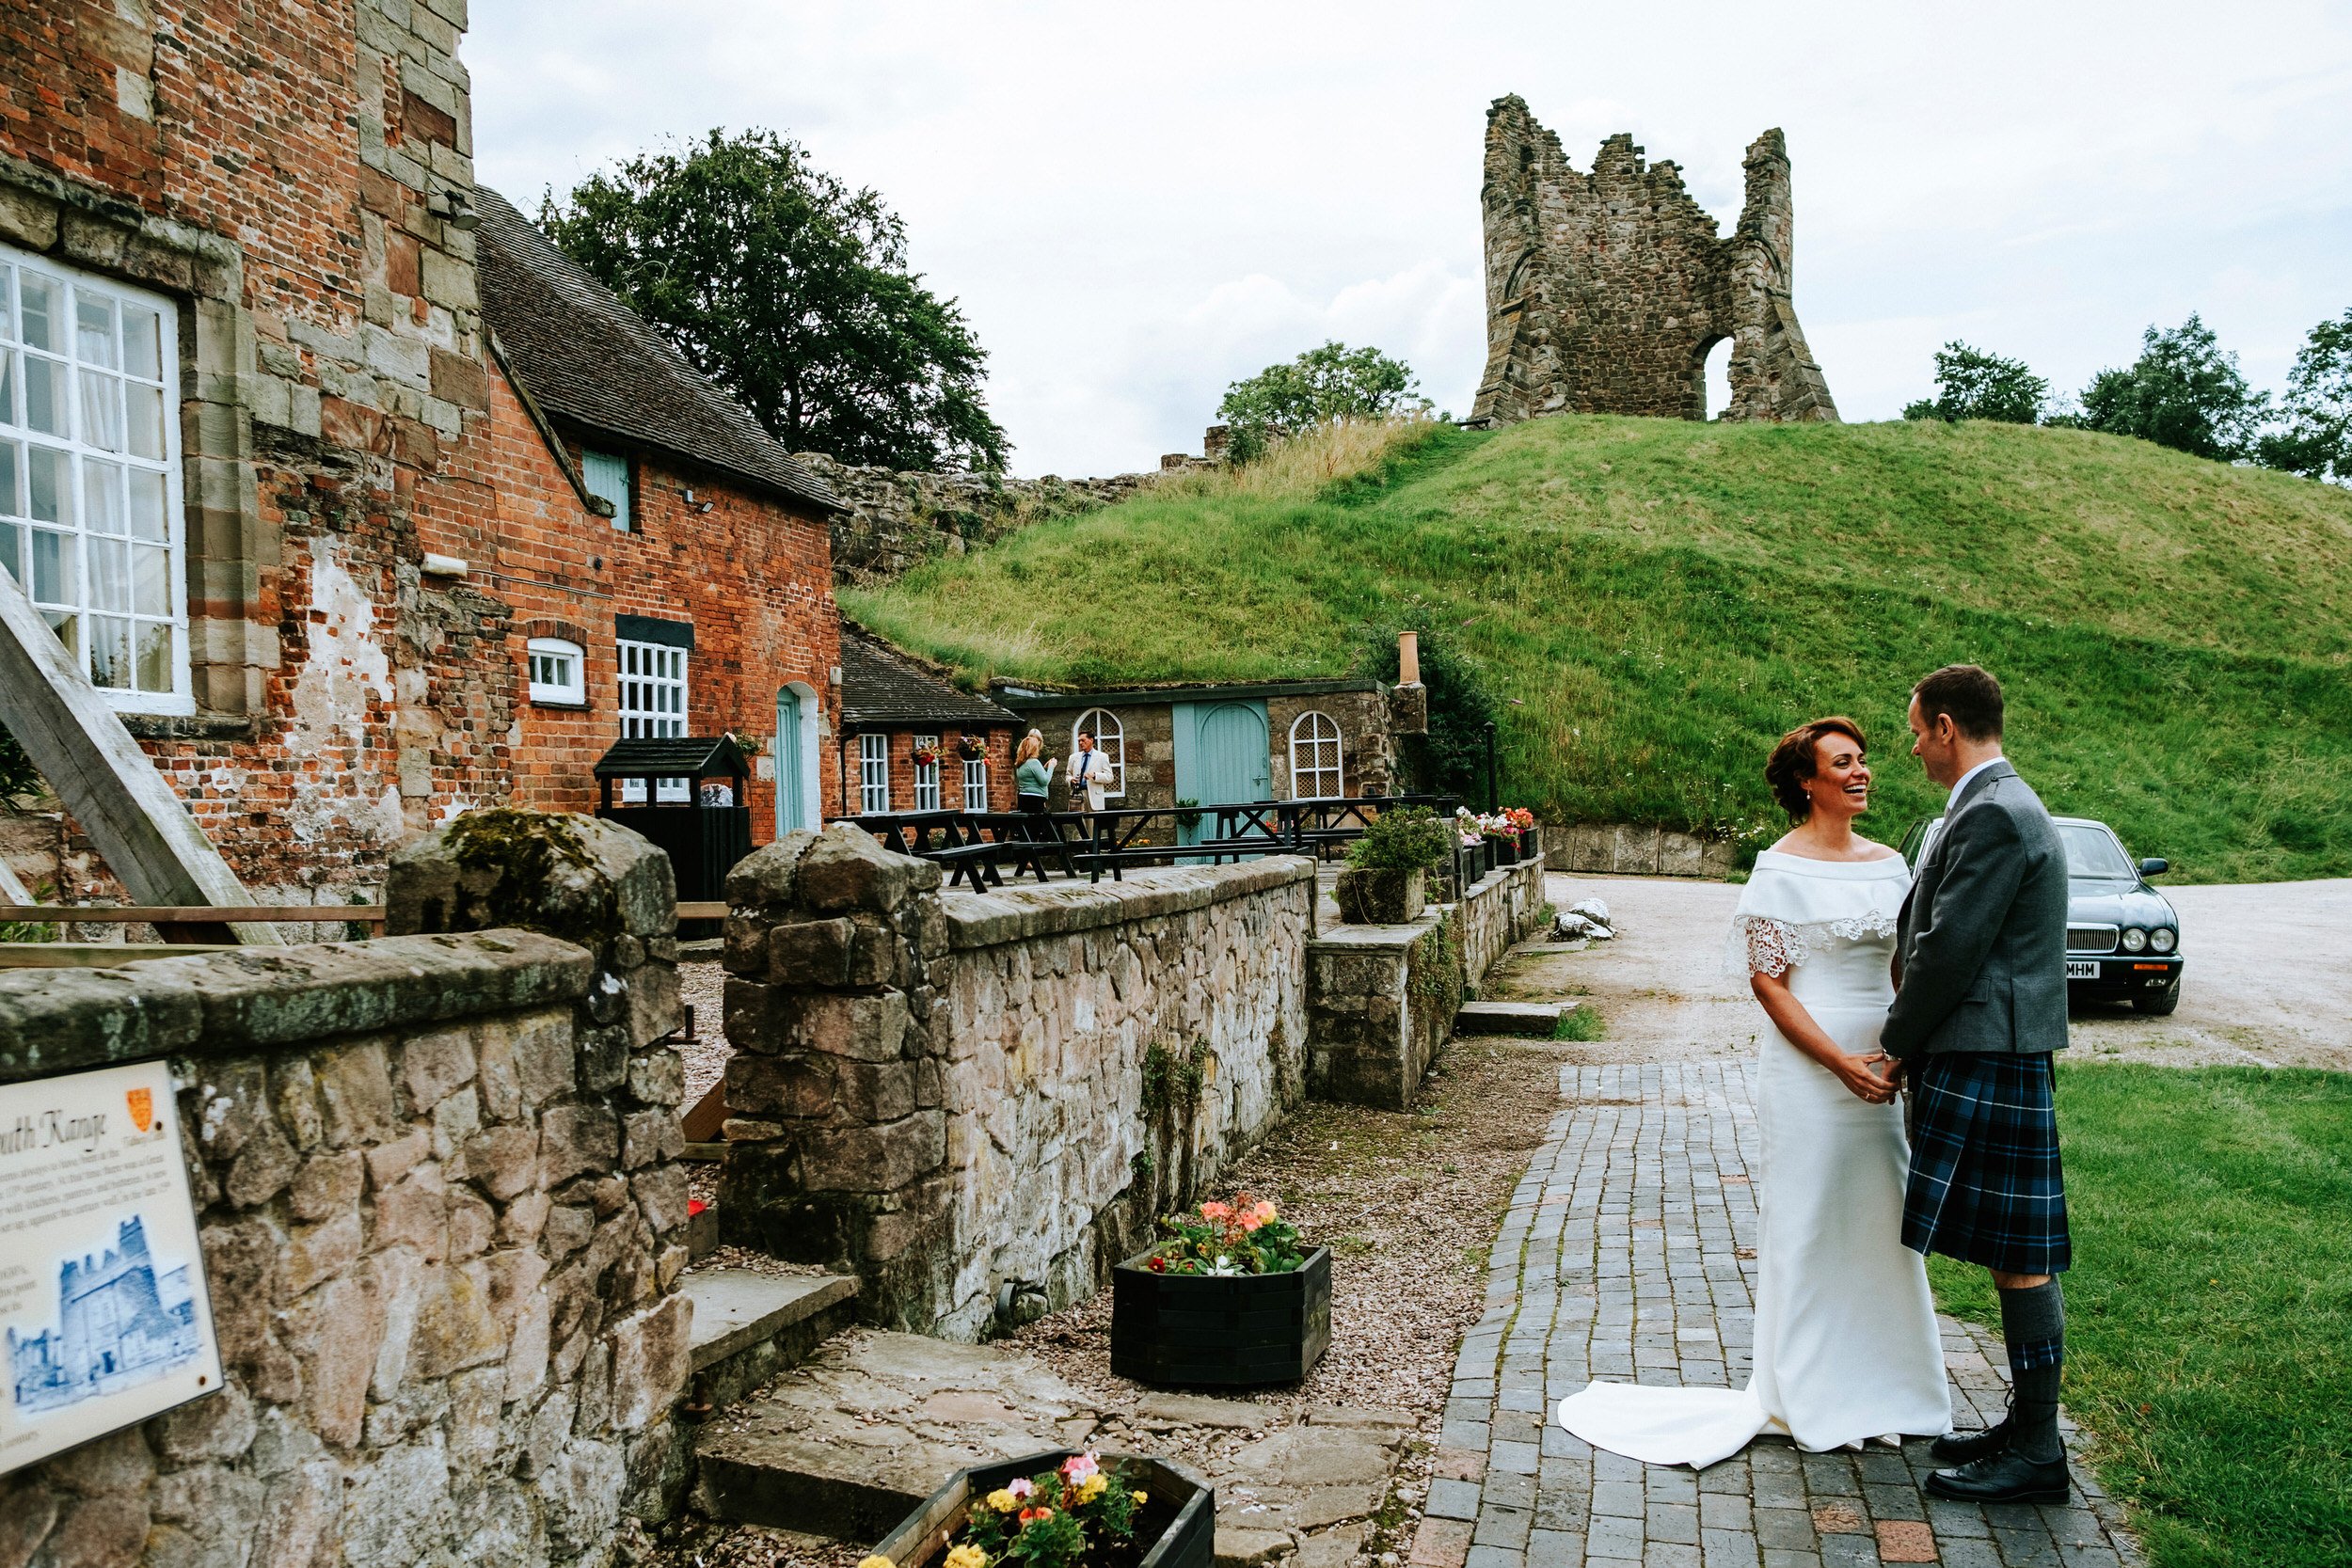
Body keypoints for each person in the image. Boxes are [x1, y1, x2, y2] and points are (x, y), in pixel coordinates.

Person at [1556, 717, 1951, 1465]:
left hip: (1883, 1065)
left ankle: (1894, 1387)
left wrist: (1902, 1052)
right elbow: (1769, 983)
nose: (1862, 770)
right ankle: (1806, 1391)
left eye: (1863, 759)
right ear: (1808, 781)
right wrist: (1840, 1061)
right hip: (1811, 1071)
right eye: (1844, 761)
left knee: (1880, 1223)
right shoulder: (1778, 868)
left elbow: (1905, 968)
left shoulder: (1891, 862)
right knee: (1808, 1222)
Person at [1884, 665, 2074, 1505]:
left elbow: (1950, 949)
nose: (1914, 743)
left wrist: (1896, 1043)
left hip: (1989, 1050)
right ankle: (2025, 1427)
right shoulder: (1993, 802)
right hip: (1992, 1049)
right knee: (2013, 1256)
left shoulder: (1995, 810)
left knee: (2021, 1259)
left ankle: (2038, 1449)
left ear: (1949, 725)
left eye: (1919, 728)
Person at [1069, 729, 1116, 812]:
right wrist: (1071, 780)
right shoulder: (1073, 757)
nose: (1080, 743)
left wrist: (1095, 775)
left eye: (1083, 740)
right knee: (1076, 822)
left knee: (1090, 823)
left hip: (1093, 795)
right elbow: (1067, 775)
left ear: (1091, 740)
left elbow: (1109, 777)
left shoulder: (1102, 757)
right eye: (1079, 741)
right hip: (1076, 794)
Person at [1014, 731, 1057, 816]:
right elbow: (1044, 781)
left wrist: (1044, 768)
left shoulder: (1020, 763)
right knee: (1037, 827)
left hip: (1023, 798)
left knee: (1027, 827)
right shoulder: (1034, 762)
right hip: (1035, 799)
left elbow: (1032, 777)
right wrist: (1052, 766)